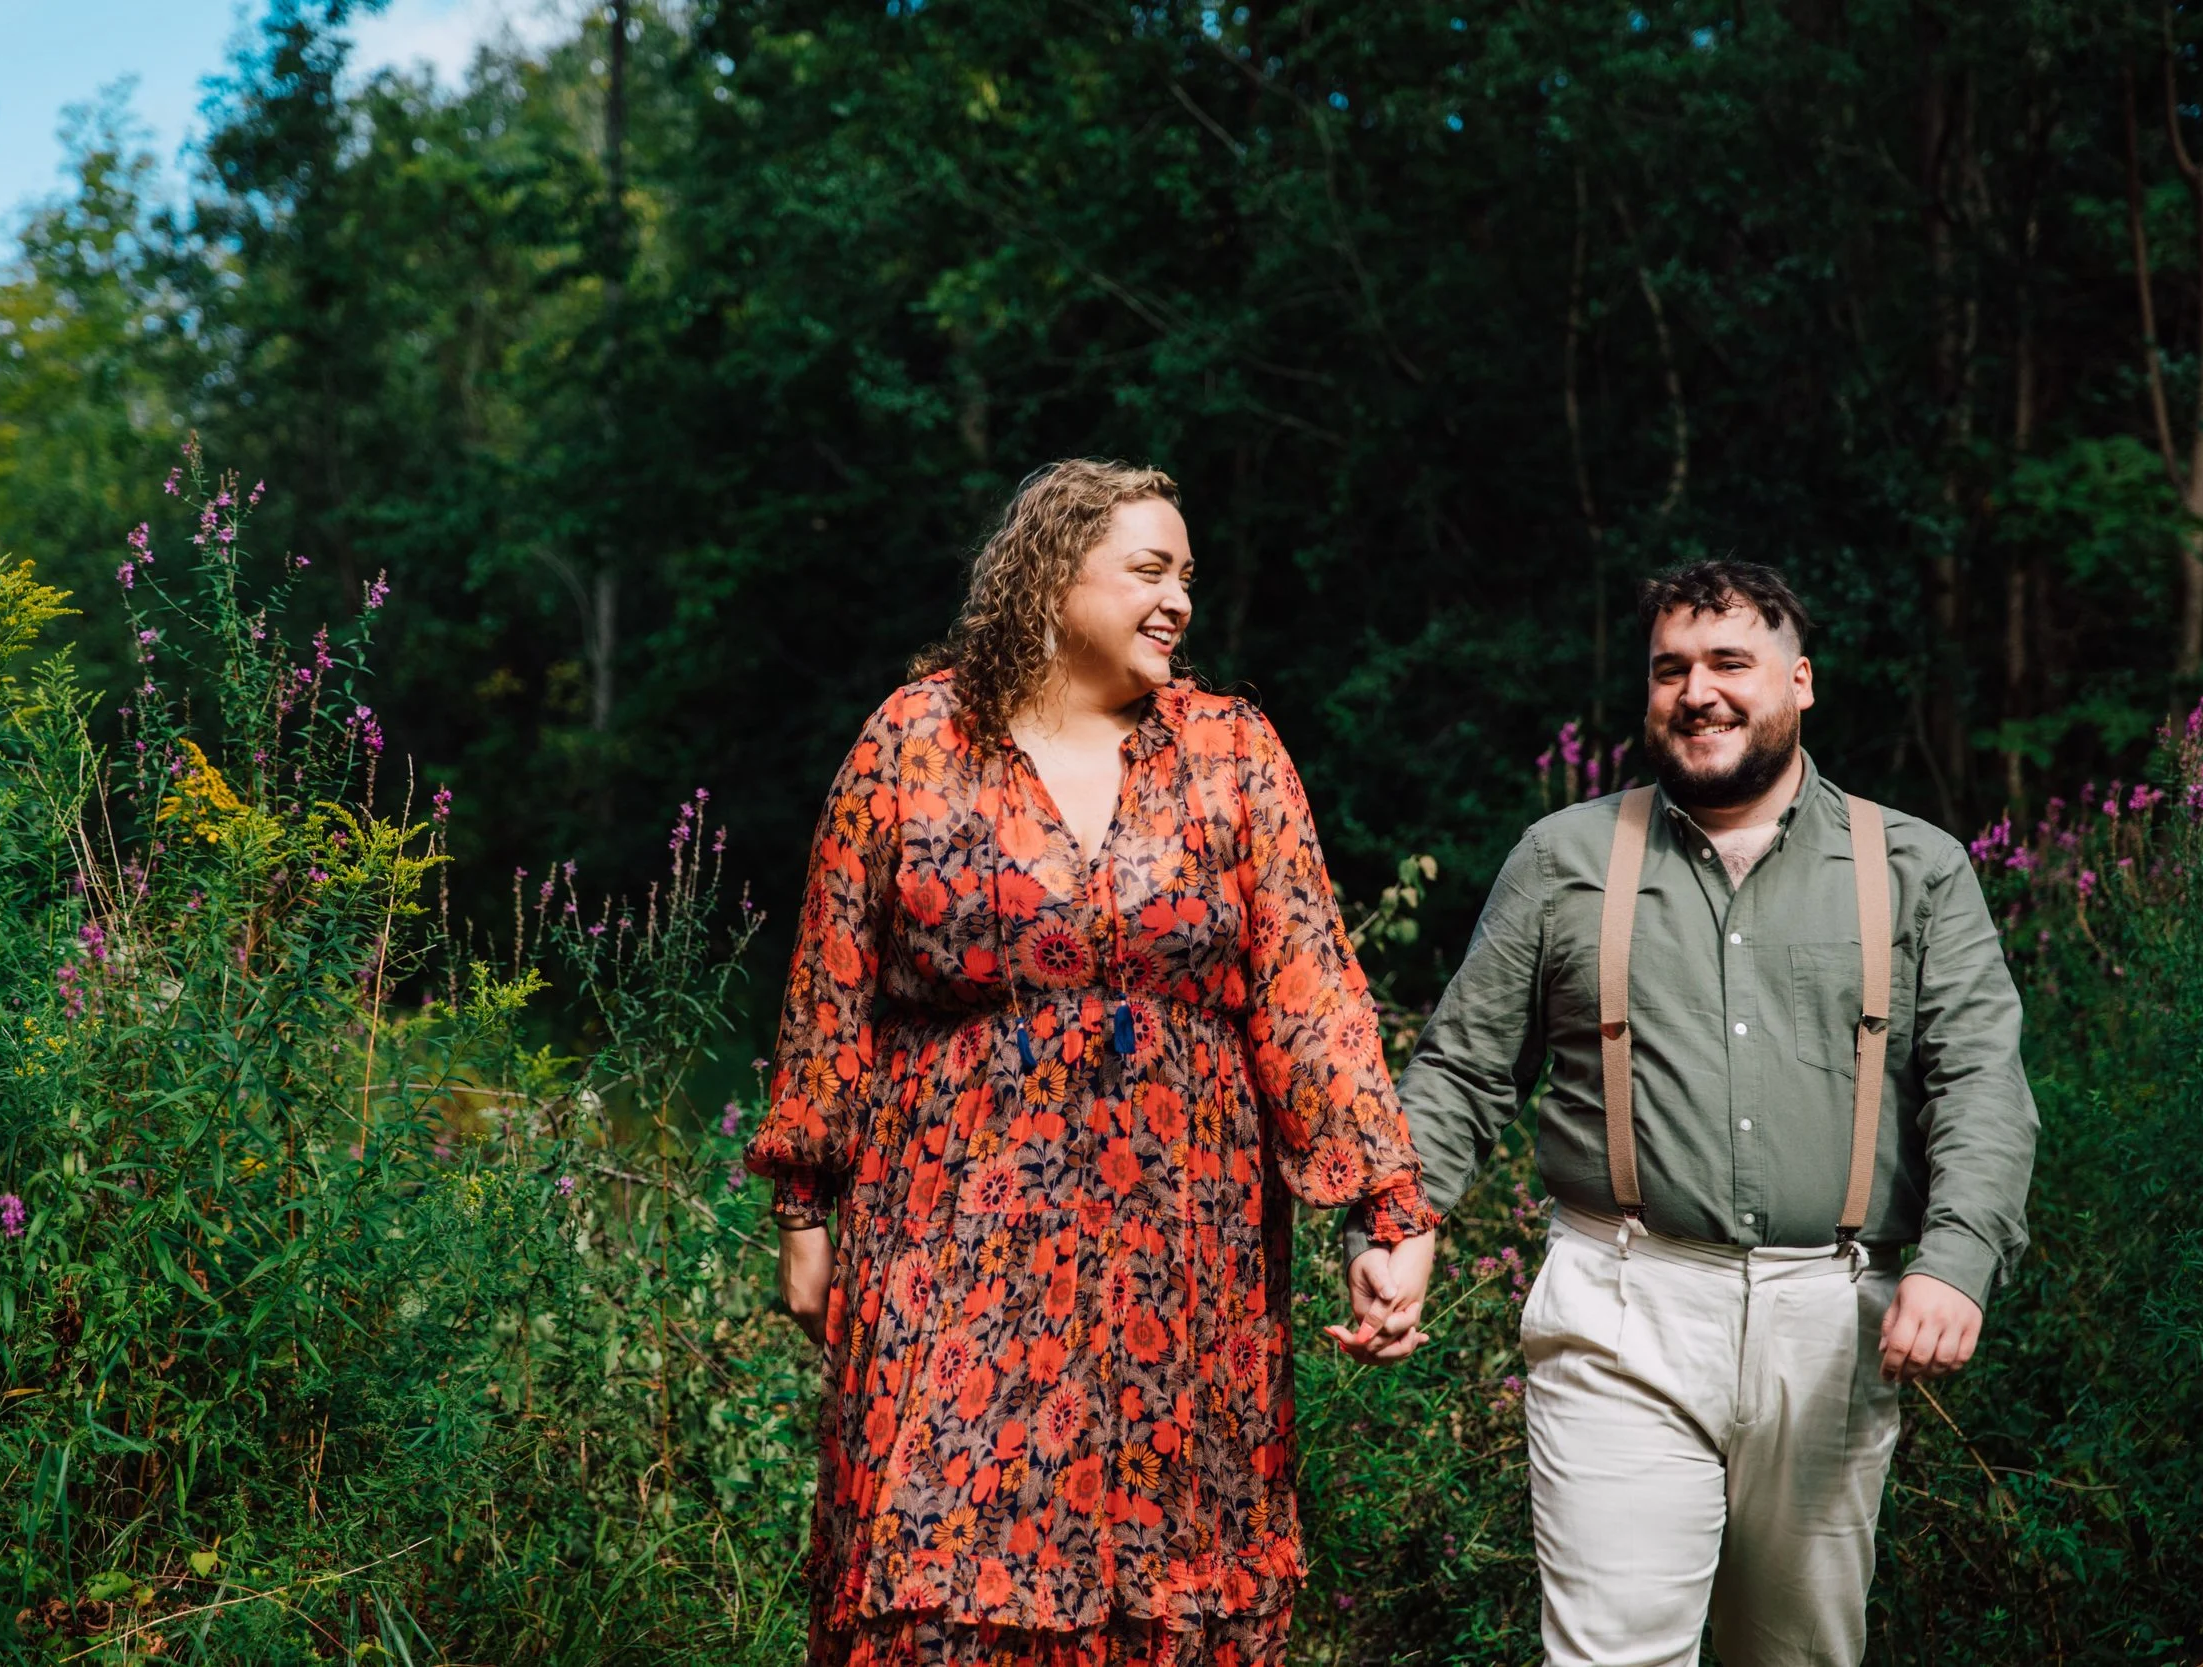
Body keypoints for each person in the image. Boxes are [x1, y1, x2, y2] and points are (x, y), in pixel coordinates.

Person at [745, 459, 1440, 1667]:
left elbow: (1310, 990)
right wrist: (806, 1204)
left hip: (1185, 1253)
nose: (1179, 600)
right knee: (931, 1551)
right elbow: (829, 981)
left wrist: (1384, 1208)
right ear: (1053, 577)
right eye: (1149, 569)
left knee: (1175, 1569)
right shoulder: (915, 738)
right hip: (949, 1237)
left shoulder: (1230, 750)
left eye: (1189, 577)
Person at [1350, 560, 2037, 1667]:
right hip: (1621, 1301)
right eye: (1670, 668)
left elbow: (1981, 1081)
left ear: (1799, 681)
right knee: (1612, 1652)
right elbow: (1464, 1070)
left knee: (1798, 1653)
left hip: (1832, 1313)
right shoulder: (1562, 858)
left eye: (1729, 662)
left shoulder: (1914, 867)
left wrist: (1956, 1257)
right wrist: (1397, 1220)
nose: (1696, 691)